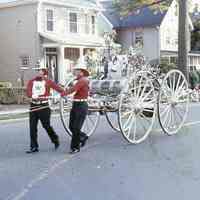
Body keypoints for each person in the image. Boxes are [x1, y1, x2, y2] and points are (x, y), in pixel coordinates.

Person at [26, 64, 66, 153]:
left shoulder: (48, 81)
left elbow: (60, 90)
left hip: (44, 107)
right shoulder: (31, 81)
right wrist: (32, 95)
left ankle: (55, 139)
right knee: (32, 127)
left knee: (46, 126)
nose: (38, 72)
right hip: (33, 105)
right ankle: (34, 146)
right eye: (37, 70)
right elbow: (28, 91)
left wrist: (58, 95)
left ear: (44, 72)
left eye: (40, 70)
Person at [65, 64, 90, 154]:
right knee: (71, 126)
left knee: (76, 127)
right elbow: (71, 89)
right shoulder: (77, 80)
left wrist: (64, 93)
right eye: (76, 70)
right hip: (75, 104)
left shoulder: (83, 80)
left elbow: (73, 89)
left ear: (82, 72)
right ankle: (83, 136)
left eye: (77, 71)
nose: (75, 72)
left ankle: (75, 147)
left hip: (82, 105)